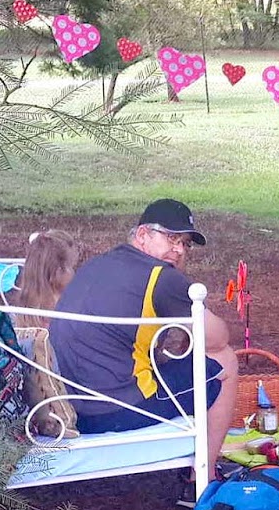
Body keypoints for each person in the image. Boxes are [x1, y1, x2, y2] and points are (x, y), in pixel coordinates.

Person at [50, 200, 239, 470]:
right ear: (142, 234)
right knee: (225, 361)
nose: (179, 250)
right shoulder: (162, 277)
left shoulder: (96, 265)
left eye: (185, 244)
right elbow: (218, 340)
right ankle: (203, 474)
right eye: (171, 238)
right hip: (119, 410)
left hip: (69, 407)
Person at [16, 229, 80, 317]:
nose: (73, 273)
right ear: (57, 272)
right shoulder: (67, 310)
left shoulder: (26, 308)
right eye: (70, 267)